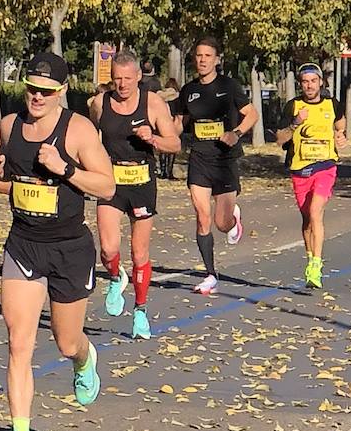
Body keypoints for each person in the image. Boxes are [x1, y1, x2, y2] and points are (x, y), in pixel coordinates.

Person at [0, 52, 115, 431]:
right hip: (24, 243)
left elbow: (108, 185)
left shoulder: (77, 130)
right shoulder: (10, 126)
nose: (36, 97)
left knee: (65, 341)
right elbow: (12, 184)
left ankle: (84, 359)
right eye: (31, 89)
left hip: (69, 248)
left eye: (45, 91)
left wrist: (65, 168)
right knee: (18, 343)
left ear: (62, 91)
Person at [88, 52, 181, 340]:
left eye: (128, 78)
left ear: (139, 77)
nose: (122, 84)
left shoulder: (153, 103)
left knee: (139, 252)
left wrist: (152, 138)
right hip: (111, 182)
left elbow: (174, 143)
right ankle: (116, 277)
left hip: (141, 183)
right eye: (117, 78)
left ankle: (140, 311)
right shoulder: (100, 103)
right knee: (107, 248)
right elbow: (91, 136)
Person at [173, 36, 256, 295]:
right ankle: (210, 274)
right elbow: (178, 123)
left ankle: (233, 221)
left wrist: (236, 134)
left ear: (217, 59)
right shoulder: (188, 90)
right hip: (199, 158)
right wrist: (160, 135)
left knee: (221, 222)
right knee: (202, 217)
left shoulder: (228, 86)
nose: (202, 60)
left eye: (207, 55)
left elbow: (251, 114)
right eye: (198, 55)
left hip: (224, 159)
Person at [275, 63, 346, 288]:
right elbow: (280, 139)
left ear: (320, 82)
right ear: (300, 84)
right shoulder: (293, 106)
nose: (309, 86)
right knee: (307, 220)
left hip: (325, 166)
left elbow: (340, 123)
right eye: (305, 82)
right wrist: (296, 122)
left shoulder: (331, 104)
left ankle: (317, 264)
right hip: (300, 169)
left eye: (313, 81)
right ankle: (310, 258)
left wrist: (340, 136)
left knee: (316, 211)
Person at [158, 77, 180, 179]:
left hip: (161, 123)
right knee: (171, 149)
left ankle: (163, 171)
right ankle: (169, 171)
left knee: (162, 148)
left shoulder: (160, 97)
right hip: (173, 123)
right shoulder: (177, 98)